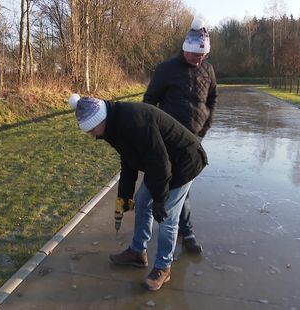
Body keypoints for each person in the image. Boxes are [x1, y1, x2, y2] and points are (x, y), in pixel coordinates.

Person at [69, 94, 208, 291]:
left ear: (100, 120)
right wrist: (124, 196)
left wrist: (160, 200)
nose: (92, 135)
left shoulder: (134, 120)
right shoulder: (112, 126)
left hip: (185, 162)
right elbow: (128, 160)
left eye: (91, 130)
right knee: (142, 200)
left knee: (167, 217)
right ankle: (137, 252)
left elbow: (160, 162)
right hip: (162, 164)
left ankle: (163, 267)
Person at [142, 18, 217, 254]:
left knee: (183, 186)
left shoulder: (208, 69)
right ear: (186, 49)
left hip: (194, 141)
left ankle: (186, 230)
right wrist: (153, 133)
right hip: (167, 140)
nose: (200, 59)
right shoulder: (166, 69)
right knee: (169, 185)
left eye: (203, 55)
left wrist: (205, 128)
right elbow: (149, 101)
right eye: (197, 55)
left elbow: (212, 99)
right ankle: (171, 232)